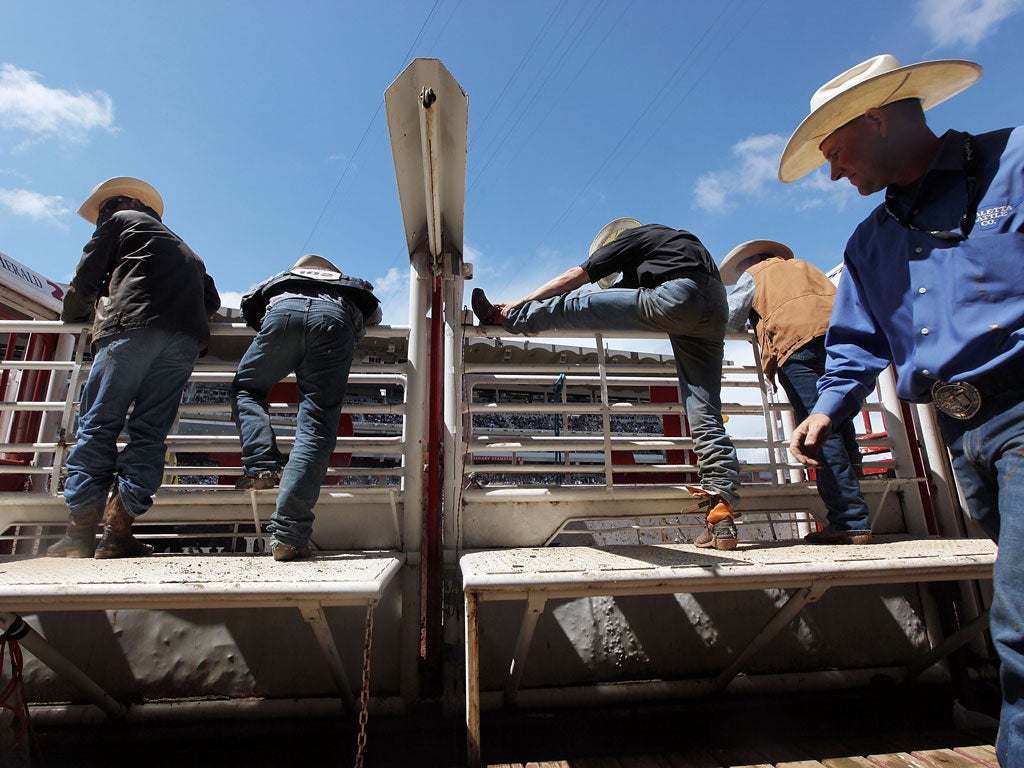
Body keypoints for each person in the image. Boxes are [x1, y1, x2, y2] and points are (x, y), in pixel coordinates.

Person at [778, 54, 1024, 764]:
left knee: (1016, 622)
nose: (832, 174)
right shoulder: (869, 243)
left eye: (834, 152)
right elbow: (857, 342)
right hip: (963, 434)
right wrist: (828, 408)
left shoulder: (1014, 162)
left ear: (876, 118)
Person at [472, 219, 741, 550]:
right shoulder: (668, 245)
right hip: (715, 307)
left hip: (678, 295)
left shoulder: (632, 237)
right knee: (703, 407)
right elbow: (617, 298)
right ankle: (720, 512)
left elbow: (576, 280)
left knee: (576, 303)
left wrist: (521, 303)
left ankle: (507, 319)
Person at [50, 176, 221, 559]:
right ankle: (117, 532)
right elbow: (211, 298)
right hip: (185, 340)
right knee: (149, 433)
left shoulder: (119, 222)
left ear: (116, 204)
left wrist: (73, 315)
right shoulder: (187, 248)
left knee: (98, 424)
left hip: (129, 329)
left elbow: (86, 277)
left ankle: (79, 535)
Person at [232, 254, 381, 562]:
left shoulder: (280, 278)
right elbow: (374, 315)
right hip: (334, 323)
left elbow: (250, 307)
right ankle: (288, 536)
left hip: (281, 316)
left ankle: (261, 464)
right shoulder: (351, 284)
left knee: (247, 388)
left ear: (299, 269)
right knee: (315, 427)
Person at [721, 239, 870, 544]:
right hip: (839, 343)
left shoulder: (756, 275)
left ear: (755, 259)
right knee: (836, 417)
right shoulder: (808, 268)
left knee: (817, 433)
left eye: (740, 268)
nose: (741, 274)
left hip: (795, 345)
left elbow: (731, 318)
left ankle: (850, 521)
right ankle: (855, 492)